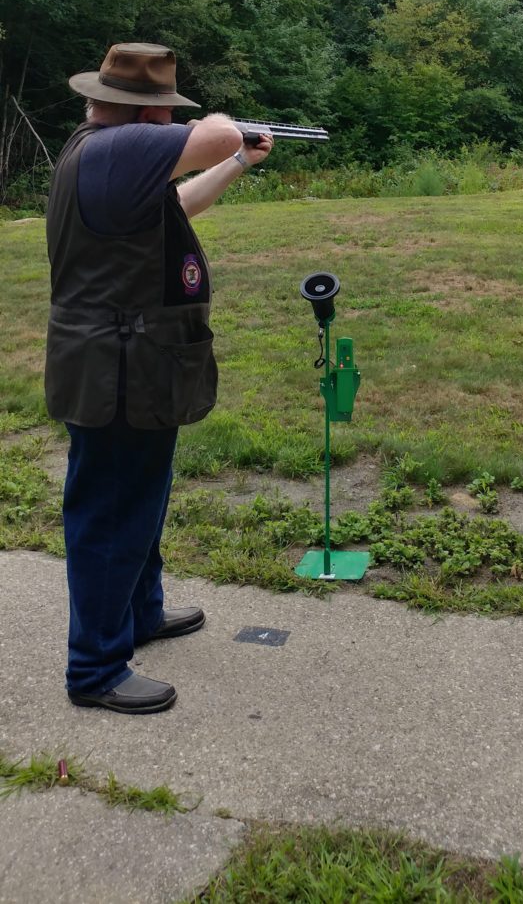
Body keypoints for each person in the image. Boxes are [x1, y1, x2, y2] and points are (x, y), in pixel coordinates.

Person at [45, 42, 273, 715]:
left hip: (130, 365)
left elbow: (180, 202)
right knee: (112, 512)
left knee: (139, 498)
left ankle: (140, 613)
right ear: (147, 114)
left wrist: (237, 161)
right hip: (117, 370)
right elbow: (215, 132)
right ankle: (95, 667)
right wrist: (227, 132)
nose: (173, 118)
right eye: (167, 109)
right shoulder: (115, 150)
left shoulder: (107, 153)